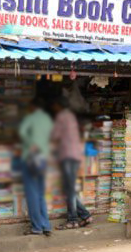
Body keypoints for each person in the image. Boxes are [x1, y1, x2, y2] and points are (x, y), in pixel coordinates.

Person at [50, 97, 92, 230]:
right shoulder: (71, 116)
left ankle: (73, 220)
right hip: (75, 156)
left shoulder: (61, 117)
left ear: (58, 106)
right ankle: (85, 215)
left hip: (67, 156)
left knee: (69, 190)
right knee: (70, 189)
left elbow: (54, 136)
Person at [18, 98, 53, 236]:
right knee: (40, 194)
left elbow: (22, 133)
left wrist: (31, 143)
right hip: (43, 159)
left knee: (32, 193)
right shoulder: (47, 119)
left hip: (31, 158)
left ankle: (37, 227)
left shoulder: (30, 118)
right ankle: (46, 225)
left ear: (32, 106)